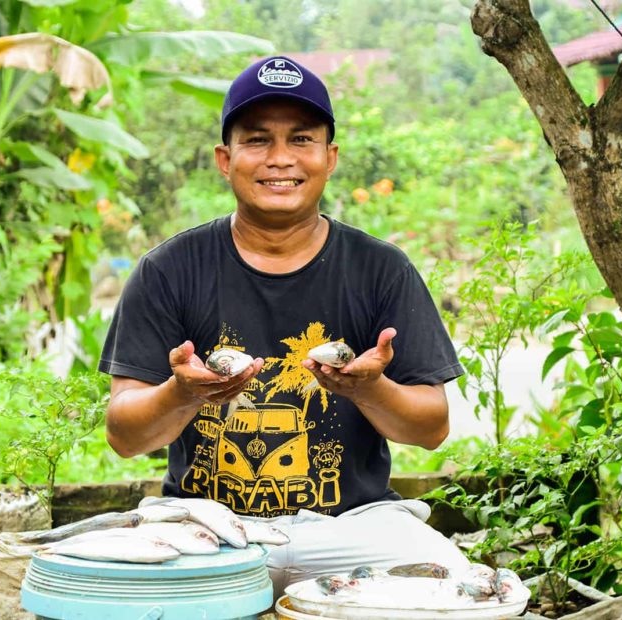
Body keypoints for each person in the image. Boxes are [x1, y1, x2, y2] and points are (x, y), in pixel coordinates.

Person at [99, 55, 469, 598]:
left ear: (330, 157)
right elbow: (124, 435)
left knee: (461, 589)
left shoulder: (381, 269)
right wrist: (182, 393)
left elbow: (431, 427)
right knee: (100, 599)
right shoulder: (168, 270)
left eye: (301, 139)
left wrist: (371, 388)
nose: (280, 160)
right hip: (206, 529)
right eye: (257, 140)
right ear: (225, 160)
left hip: (354, 527)